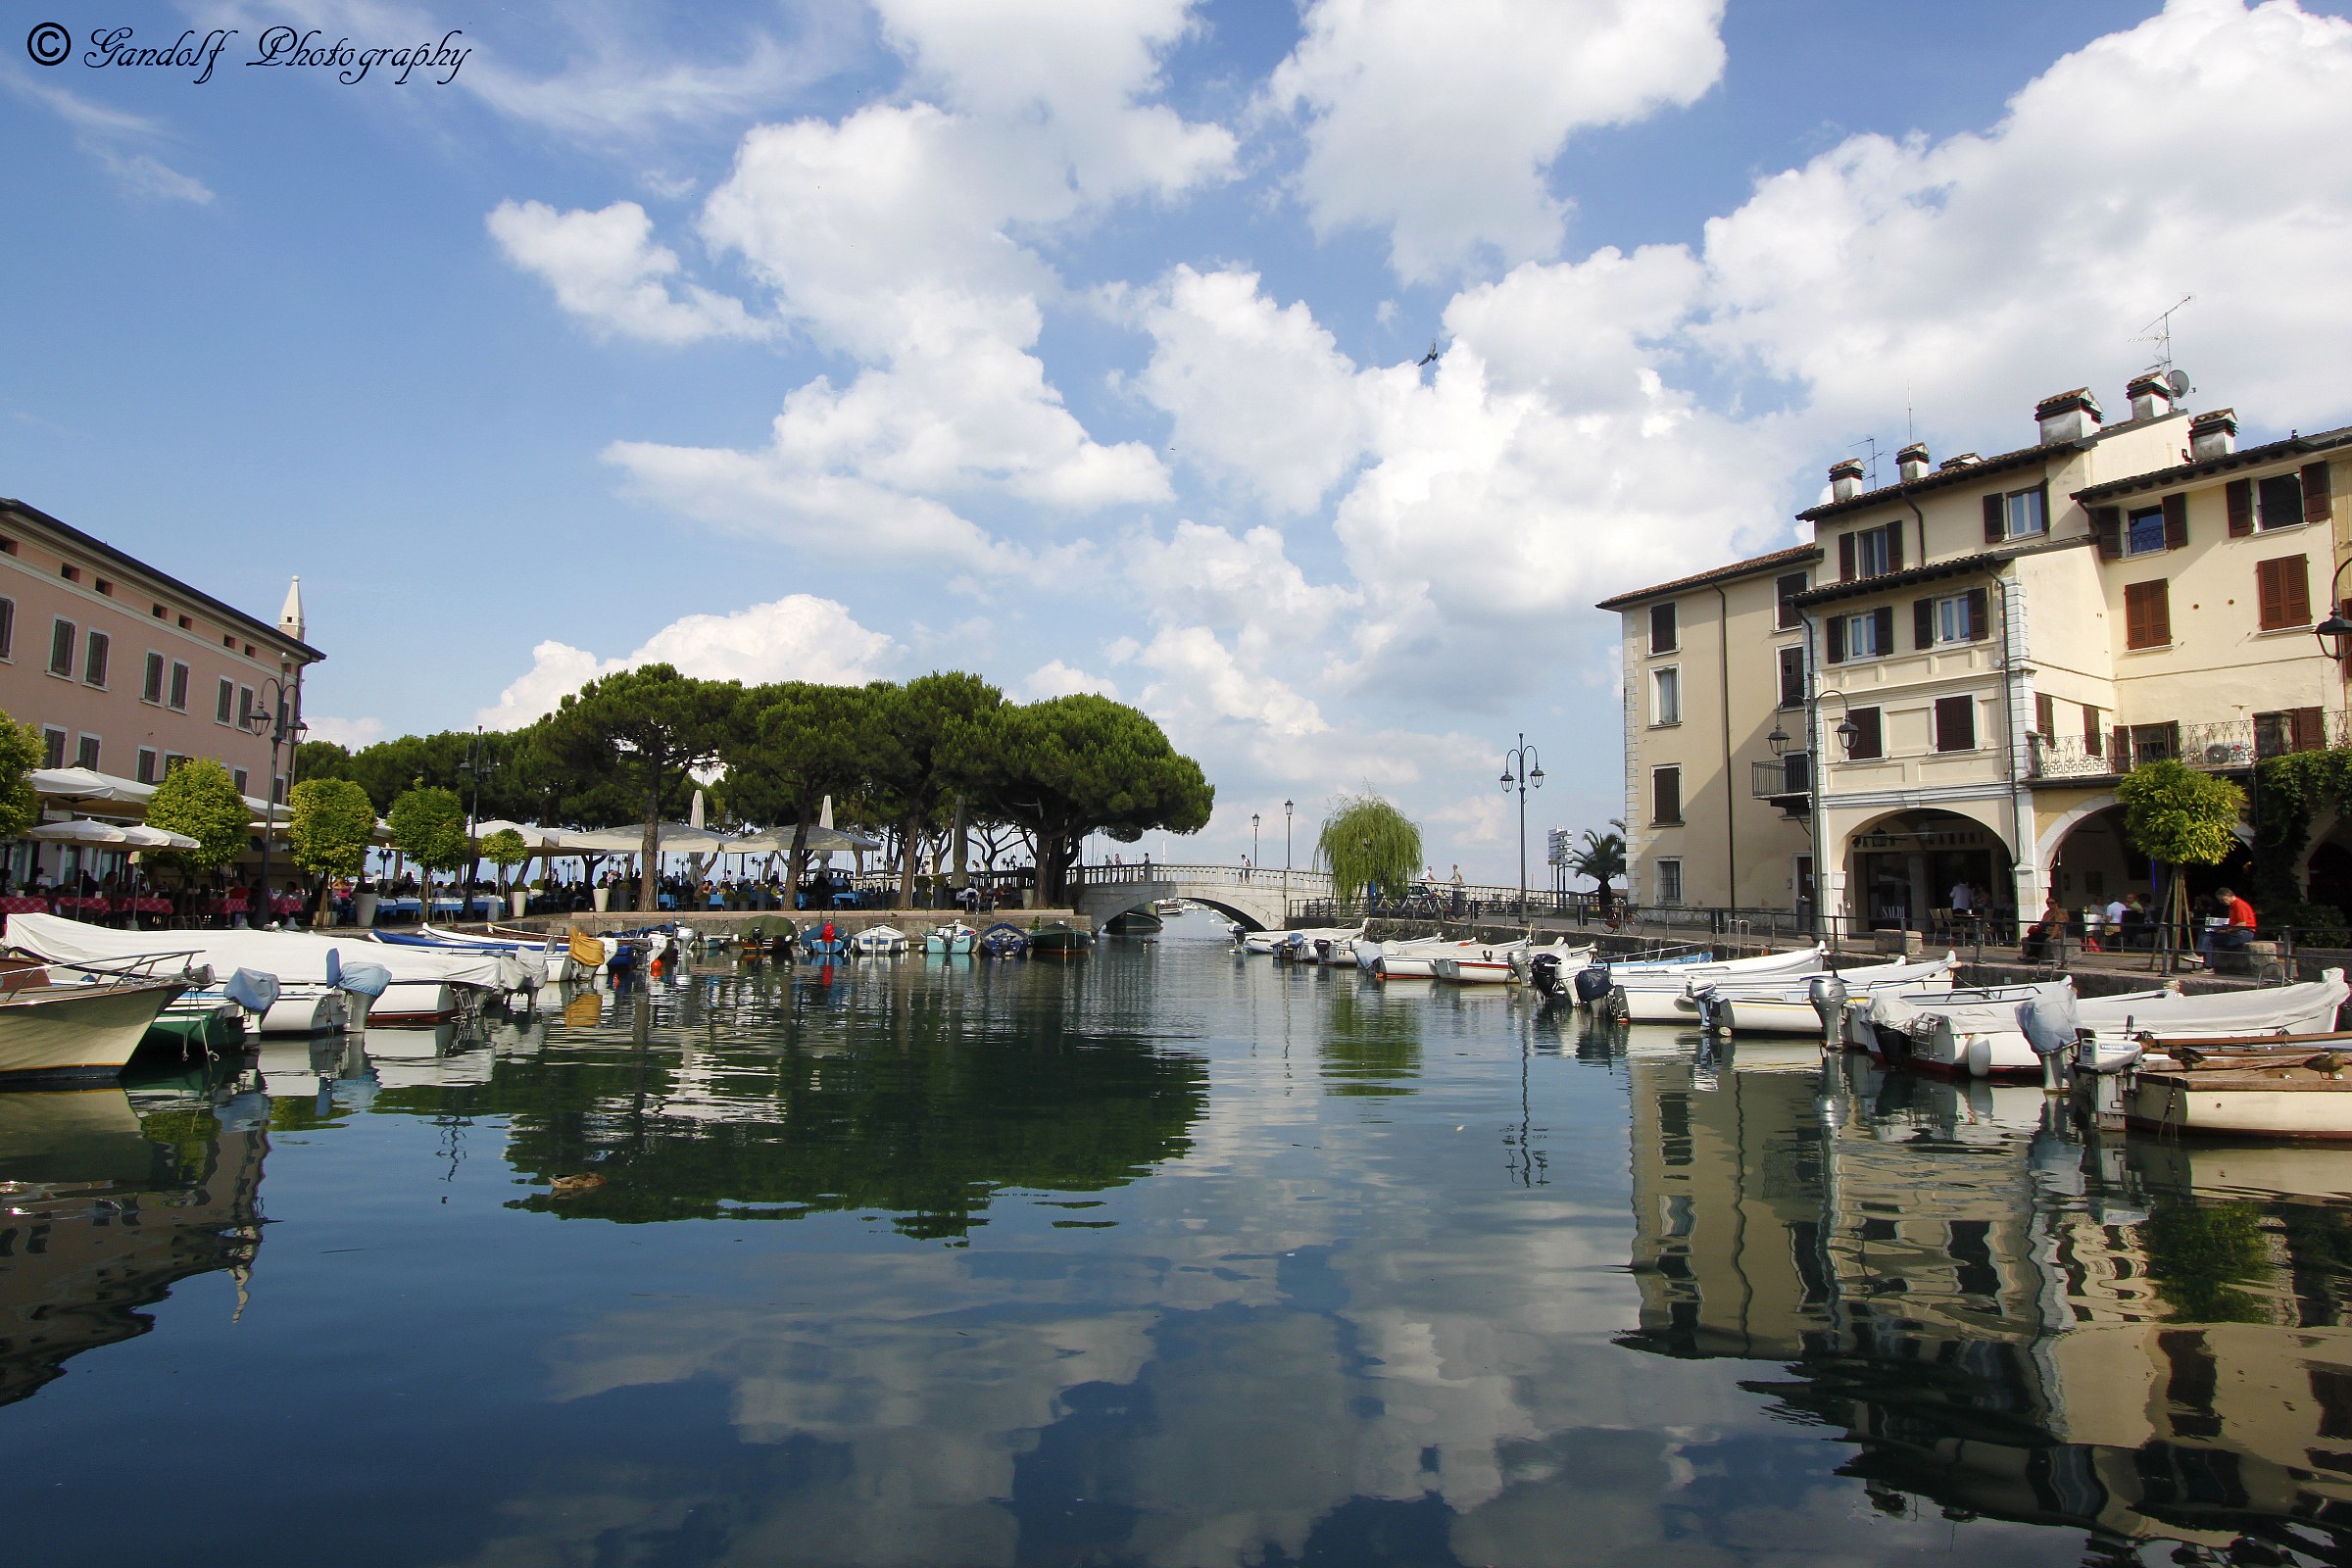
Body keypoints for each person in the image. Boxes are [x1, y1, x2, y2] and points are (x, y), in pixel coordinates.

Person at [2200, 885, 2258, 961]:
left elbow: (2242, 924)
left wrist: (2226, 931)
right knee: (2206, 931)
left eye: (2221, 899)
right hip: (2239, 931)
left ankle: (2208, 965)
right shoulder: (2233, 906)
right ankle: (2199, 953)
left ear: (2228, 896)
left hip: (2244, 933)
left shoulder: (2239, 905)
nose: (2221, 902)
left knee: (2211, 941)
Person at [2020, 895, 2067, 962]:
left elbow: (2058, 925)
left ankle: (2030, 954)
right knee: (2032, 936)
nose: (2050, 904)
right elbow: (2042, 922)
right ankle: (2033, 955)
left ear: (2056, 903)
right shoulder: (2047, 912)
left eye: (2052, 903)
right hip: (2044, 930)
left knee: (2040, 937)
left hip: (2053, 931)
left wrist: (2052, 936)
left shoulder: (2060, 912)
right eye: (2048, 903)